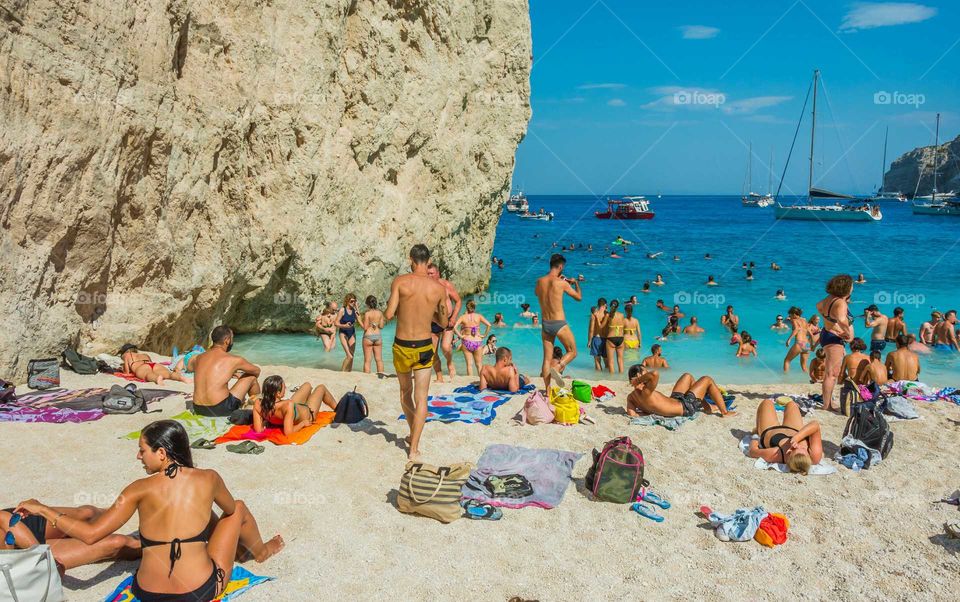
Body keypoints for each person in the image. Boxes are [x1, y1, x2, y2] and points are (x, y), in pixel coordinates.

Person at [15, 421, 283, 600]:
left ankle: (252, 551)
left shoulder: (136, 489)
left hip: (146, 593)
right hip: (199, 591)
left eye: (142, 450)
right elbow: (228, 512)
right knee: (238, 507)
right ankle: (261, 552)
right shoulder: (209, 478)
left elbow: (90, 534)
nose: (138, 456)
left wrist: (44, 509)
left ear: (162, 453)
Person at [386, 244, 448, 460]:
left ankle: (412, 434)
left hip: (402, 345)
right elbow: (444, 320)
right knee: (421, 398)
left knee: (405, 393)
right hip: (424, 345)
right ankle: (414, 449)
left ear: (411, 259)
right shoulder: (438, 289)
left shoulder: (400, 282)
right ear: (428, 260)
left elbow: (389, 313)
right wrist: (427, 314)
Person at [0, 504, 140, 575]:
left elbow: (4, 518)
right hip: (19, 559)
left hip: (18, 525)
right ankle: (158, 546)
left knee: (87, 514)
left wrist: (43, 558)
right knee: (118, 543)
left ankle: (141, 504)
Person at [190, 326, 261, 417]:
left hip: (198, 408)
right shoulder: (235, 360)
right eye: (232, 338)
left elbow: (191, 367)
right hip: (220, 409)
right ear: (227, 340)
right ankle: (258, 408)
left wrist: (229, 373)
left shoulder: (199, 357)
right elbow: (256, 371)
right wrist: (241, 374)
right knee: (251, 378)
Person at [534, 254, 581, 389]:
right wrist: (575, 283)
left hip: (545, 324)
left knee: (546, 359)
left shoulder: (539, 281)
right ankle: (558, 367)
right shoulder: (562, 283)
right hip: (559, 323)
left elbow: (538, 293)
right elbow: (578, 297)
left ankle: (547, 391)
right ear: (561, 266)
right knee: (572, 351)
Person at [626, 365, 735, 418]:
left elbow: (632, 414)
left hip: (675, 400)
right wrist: (639, 381)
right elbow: (655, 373)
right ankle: (725, 412)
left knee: (687, 376)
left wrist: (651, 411)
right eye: (645, 373)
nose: (647, 375)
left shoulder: (631, 397)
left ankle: (707, 407)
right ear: (639, 376)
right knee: (707, 379)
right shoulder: (646, 391)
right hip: (685, 407)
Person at [746, 399, 822, 474]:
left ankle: (757, 428)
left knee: (767, 402)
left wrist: (755, 437)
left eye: (795, 448)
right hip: (794, 429)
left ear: (789, 452)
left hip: (770, 429)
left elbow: (753, 451)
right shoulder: (814, 457)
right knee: (791, 404)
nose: (798, 445)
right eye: (803, 448)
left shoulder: (776, 454)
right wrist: (797, 438)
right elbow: (815, 425)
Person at [816, 274, 855, 412]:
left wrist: (831, 323)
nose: (852, 288)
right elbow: (842, 319)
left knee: (831, 372)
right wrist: (847, 332)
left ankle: (828, 403)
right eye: (851, 286)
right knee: (832, 374)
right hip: (833, 338)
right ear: (845, 287)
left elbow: (819, 306)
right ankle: (827, 405)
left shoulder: (829, 299)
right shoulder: (840, 302)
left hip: (827, 334)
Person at [253, 376, 337, 436]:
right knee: (321, 388)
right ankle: (339, 409)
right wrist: (303, 423)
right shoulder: (287, 405)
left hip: (293, 408)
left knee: (307, 385)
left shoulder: (258, 403)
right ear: (278, 394)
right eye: (284, 387)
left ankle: (309, 393)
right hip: (309, 413)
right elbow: (288, 433)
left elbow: (258, 430)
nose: (285, 388)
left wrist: (266, 421)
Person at [428, 263, 463, 382]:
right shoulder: (424, 288)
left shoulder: (446, 285)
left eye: (431, 273)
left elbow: (458, 301)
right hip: (432, 323)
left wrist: (453, 318)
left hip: (448, 322)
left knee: (445, 347)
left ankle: (449, 362)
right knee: (432, 352)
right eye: (427, 273)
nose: (429, 276)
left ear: (438, 273)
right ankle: (439, 376)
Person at [452, 300, 491, 377]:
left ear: (466, 307)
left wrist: (460, 336)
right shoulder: (479, 316)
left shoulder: (463, 317)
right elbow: (489, 325)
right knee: (479, 365)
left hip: (466, 341)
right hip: (477, 341)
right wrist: (484, 335)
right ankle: (480, 381)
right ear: (474, 307)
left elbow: (454, 327)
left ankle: (470, 381)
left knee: (469, 365)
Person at [120, 345, 190, 385]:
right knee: (168, 374)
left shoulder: (127, 355)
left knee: (148, 374)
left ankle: (157, 379)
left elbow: (127, 372)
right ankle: (182, 378)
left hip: (142, 367)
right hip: (153, 364)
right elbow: (150, 364)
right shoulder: (144, 354)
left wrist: (122, 369)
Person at [334, 293, 360, 372]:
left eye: (354, 301)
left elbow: (359, 319)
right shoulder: (342, 310)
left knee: (352, 354)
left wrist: (357, 308)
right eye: (352, 301)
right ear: (347, 301)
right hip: (343, 333)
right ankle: (342, 372)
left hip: (352, 333)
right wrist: (344, 325)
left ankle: (349, 372)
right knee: (349, 356)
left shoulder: (354, 311)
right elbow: (336, 323)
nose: (353, 303)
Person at [361, 296, 386, 374]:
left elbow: (365, 328)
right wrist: (376, 323)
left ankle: (367, 378)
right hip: (378, 336)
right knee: (379, 359)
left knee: (367, 360)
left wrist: (359, 320)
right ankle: (381, 375)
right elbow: (381, 326)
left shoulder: (367, 313)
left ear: (367, 304)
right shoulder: (380, 313)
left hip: (368, 336)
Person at [783, 307, 811, 373]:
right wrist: (812, 344)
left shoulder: (794, 320)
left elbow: (796, 329)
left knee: (787, 360)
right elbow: (810, 333)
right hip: (806, 344)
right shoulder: (804, 321)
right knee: (804, 365)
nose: (790, 316)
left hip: (799, 342)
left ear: (795, 314)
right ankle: (807, 378)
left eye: (790, 315)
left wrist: (789, 339)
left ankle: (785, 378)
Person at [603, 300, 626, 374]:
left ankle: (612, 377)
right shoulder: (622, 315)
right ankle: (621, 376)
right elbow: (623, 327)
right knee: (620, 360)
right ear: (618, 306)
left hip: (611, 338)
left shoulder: (608, 315)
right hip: (620, 338)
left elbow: (603, 326)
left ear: (610, 306)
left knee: (611, 361)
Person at [588, 298, 608, 371]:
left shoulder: (594, 315)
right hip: (606, 340)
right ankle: (608, 377)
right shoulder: (607, 314)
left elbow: (591, 330)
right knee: (607, 362)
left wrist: (589, 341)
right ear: (605, 305)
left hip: (597, 339)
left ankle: (598, 377)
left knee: (597, 361)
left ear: (598, 304)